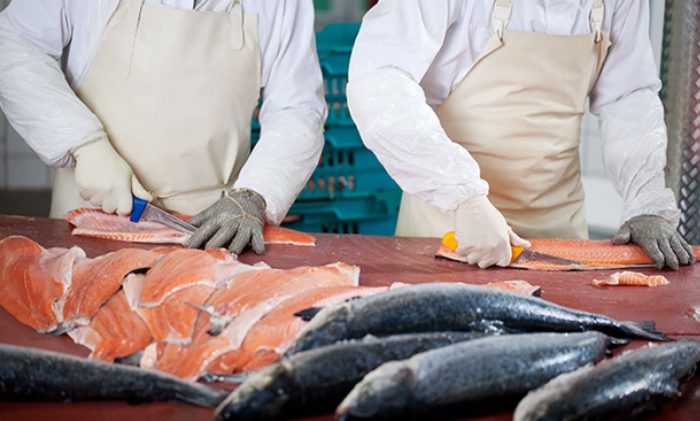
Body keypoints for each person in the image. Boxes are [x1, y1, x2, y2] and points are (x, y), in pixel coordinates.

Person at [347, 0, 695, 270]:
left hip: (558, 225)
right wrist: (463, 198)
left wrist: (645, 200)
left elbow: (627, 97)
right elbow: (379, 80)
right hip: (449, 222)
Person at [0, 0, 326, 255]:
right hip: (91, 217)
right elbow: (12, 45)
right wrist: (85, 145)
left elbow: (296, 107)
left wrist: (256, 194)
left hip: (212, 233)